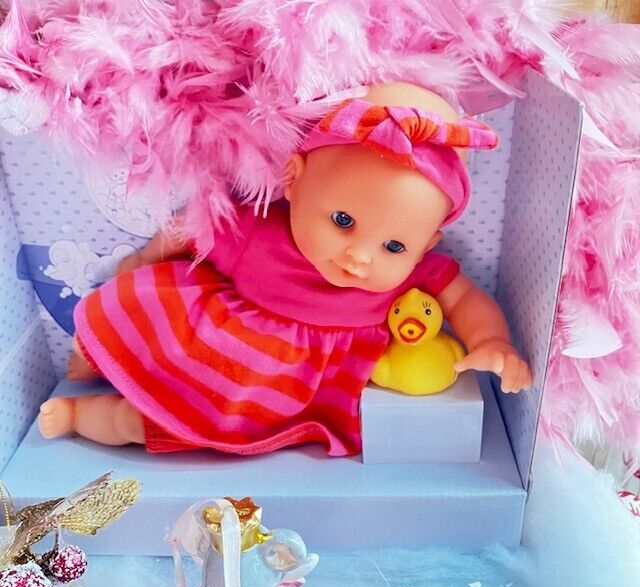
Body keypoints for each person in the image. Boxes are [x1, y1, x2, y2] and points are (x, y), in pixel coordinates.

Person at [38, 82, 532, 455]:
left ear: (427, 246)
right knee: (129, 340)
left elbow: (464, 298)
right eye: (343, 221)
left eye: (394, 246)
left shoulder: (416, 276)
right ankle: (93, 373)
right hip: (208, 354)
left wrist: (493, 340)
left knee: (141, 425)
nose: (360, 256)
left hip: (280, 401)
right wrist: (144, 259)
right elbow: (193, 228)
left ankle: (83, 414)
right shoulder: (261, 230)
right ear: (293, 180)